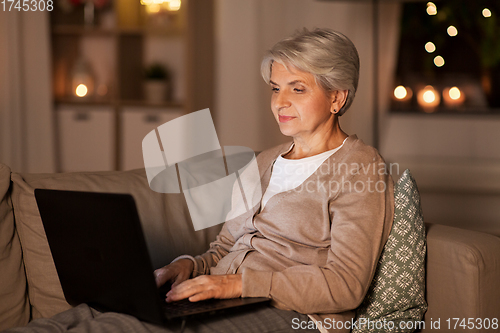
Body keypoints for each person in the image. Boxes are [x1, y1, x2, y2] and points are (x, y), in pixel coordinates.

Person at [6, 28, 394, 333]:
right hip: (227, 298)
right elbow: (225, 247)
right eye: (275, 88)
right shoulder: (262, 162)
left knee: (126, 328)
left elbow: (345, 285)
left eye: (298, 88)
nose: (280, 101)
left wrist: (238, 286)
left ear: (337, 97)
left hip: (298, 318)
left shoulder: (360, 168)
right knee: (86, 316)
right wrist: (188, 267)